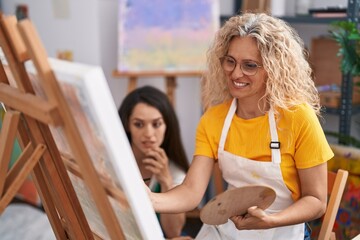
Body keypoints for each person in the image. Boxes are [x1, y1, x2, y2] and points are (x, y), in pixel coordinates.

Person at [147, 12, 334, 240]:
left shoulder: (298, 117)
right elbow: (191, 192)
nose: (236, 73)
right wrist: (149, 199)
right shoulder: (214, 119)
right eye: (230, 61)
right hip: (228, 229)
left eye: (250, 65)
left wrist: (270, 221)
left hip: (281, 230)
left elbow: (316, 201)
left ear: (273, 69)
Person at [118, 86, 190, 238]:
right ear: (127, 125)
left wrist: (166, 182)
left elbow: (173, 232)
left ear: (167, 126)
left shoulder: (175, 171)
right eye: (138, 124)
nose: (149, 134)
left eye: (156, 124)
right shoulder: (113, 162)